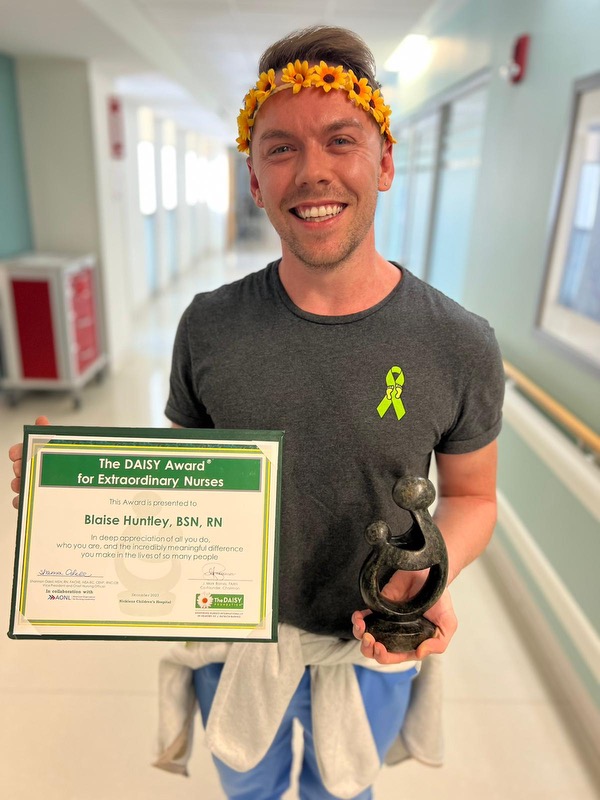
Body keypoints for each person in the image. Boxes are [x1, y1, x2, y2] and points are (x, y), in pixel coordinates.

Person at [10, 25, 504, 800]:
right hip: (235, 643)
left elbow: (474, 497)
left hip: (370, 645)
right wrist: (76, 491)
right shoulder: (209, 325)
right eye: (280, 149)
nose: (311, 172)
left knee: (344, 790)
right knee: (249, 787)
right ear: (253, 179)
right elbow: (184, 481)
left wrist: (434, 580)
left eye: (340, 139)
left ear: (385, 162)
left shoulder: (459, 343)